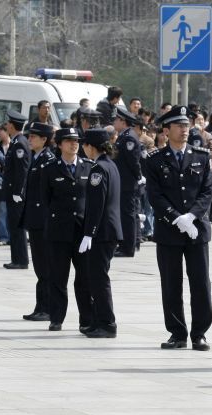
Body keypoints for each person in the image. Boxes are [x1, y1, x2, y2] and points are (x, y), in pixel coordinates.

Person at [145, 105, 212, 351]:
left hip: (196, 230)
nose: (185, 130)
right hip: (169, 229)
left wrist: (192, 216)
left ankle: (200, 333)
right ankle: (177, 332)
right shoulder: (154, 160)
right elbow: (155, 195)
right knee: (171, 283)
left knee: (200, 283)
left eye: (187, 125)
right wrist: (177, 217)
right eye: (179, 126)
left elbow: (207, 191)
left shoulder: (202, 156)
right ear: (166, 130)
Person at [41, 128, 94, 333]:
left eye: (76, 141)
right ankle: (56, 318)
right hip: (58, 231)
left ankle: (86, 319)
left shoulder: (88, 167)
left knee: (84, 278)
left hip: (81, 231)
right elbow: (45, 199)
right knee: (57, 277)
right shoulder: (50, 169)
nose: (74, 144)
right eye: (69, 141)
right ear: (60, 144)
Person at [78, 128, 122, 338]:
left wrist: (89, 233)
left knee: (98, 278)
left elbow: (97, 205)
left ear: (90, 146)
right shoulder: (110, 165)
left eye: (84, 145)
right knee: (96, 277)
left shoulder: (98, 169)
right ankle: (97, 321)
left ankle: (107, 323)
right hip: (109, 230)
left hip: (102, 232)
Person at [21, 122, 56, 322]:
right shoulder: (37, 157)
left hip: (43, 221)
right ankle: (41, 305)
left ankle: (47, 307)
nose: (29, 140)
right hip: (35, 220)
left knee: (45, 266)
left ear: (44, 139)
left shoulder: (47, 160)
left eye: (33, 137)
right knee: (40, 266)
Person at [112, 107, 143, 257]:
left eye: (116, 120)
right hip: (124, 182)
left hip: (128, 183)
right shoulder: (124, 136)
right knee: (129, 214)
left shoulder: (129, 137)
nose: (114, 122)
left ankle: (127, 247)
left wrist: (138, 177)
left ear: (123, 122)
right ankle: (131, 243)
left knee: (128, 215)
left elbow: (133, 161)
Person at [2, 110, 31, 268]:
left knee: (17, 227)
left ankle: (21, 260)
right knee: (13, 226)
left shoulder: (20, 142)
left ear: (12, 125)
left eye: (8, 123)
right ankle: (16, 259)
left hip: (16, 193)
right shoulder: (16, 141)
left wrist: (18, 192)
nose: (6, 125)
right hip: (13, 191)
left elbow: (22, 170)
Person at [0, 124, 11, 245]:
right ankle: (3, 236)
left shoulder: (14, 145)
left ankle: (12, 236)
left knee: (13, 211)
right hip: (1, 182)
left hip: (13, 182)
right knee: (2, 209)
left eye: (1, 132)